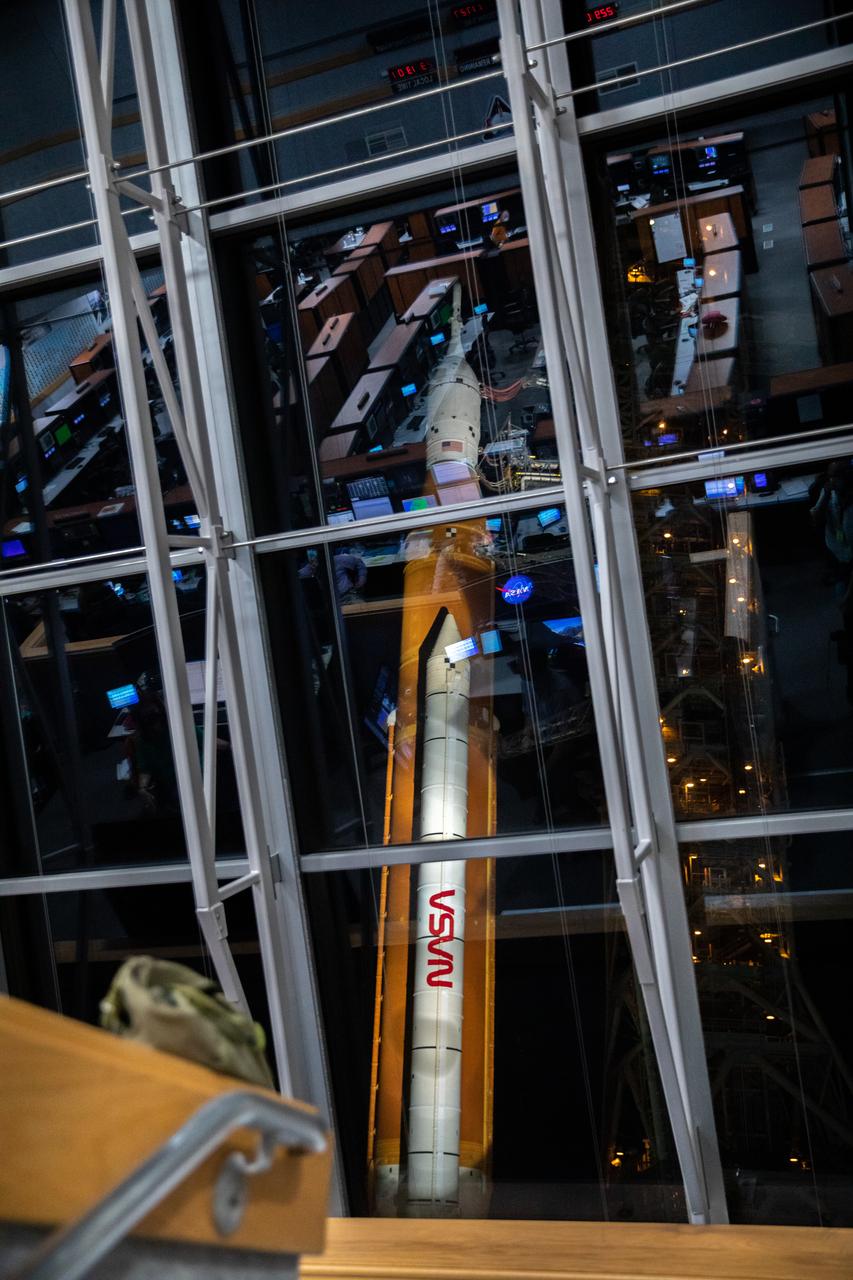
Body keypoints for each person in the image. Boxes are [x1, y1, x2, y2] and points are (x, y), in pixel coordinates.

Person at [811, 460, 853, 702]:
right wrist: (825, 496)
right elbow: (815, 519)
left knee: (846, 601)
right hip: (839, 558)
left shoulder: (851, 504)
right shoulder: (830, 496)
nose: (832, 481)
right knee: (843, 603)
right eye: (830, 477)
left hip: (850, 561)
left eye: (836, 477)